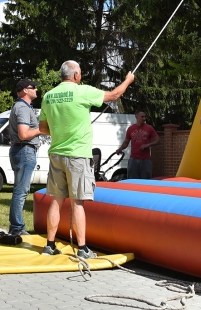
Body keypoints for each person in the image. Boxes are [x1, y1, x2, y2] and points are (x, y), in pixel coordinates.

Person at [39, 61, 134, 259]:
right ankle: (82, 249)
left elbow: (43, 128)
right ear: (75, 76)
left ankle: (49, 245)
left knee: (56, 201)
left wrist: (59, 131)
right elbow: (114, 96)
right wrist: (128, 80)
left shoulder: (48, 96)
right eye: (80, 72)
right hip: (78, 155)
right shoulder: (82, 91)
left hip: (56, 154)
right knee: (77, 202)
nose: (80, 75)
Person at [7, 78, 42, 236]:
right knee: (21, 191)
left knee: (20, 190)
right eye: (33, 87)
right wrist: (41, 129)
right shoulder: (22, 108)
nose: (36, 89)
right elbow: (23, 134)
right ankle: (17, 228)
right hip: (24, 150)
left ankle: (15, 226)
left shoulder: (22, 107)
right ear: (25, 91)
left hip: (21, 150)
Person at [115, 111, 159, 179]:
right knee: (132, 180)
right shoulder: (131, 129)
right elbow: (126, 142)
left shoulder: (149, 128)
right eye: (142, 117)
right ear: (136, 117)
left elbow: (158, 140)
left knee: (146, 181)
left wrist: (148, 145)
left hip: (146, 160)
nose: (144, 119)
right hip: (133, 159)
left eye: (145, 117)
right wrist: (120, 149)